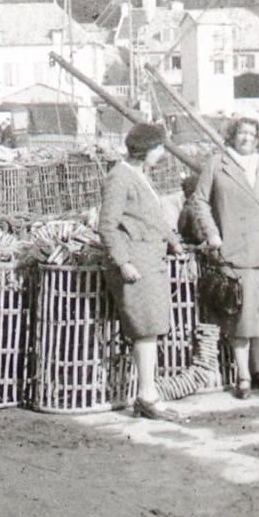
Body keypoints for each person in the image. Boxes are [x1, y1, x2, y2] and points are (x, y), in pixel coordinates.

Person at [189, 114, 259, 399]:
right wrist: (212, 234)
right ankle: (243, 376)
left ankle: (256, 370)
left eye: (251, 133)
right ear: (232, 135)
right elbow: (199, 201)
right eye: (241, 132)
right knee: (242, 318)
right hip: (237, 250)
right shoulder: (217, 164)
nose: (246, 138)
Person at [98, 121, 185, 422]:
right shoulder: (120, 177)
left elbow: (153, 218)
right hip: (136, 263)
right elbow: (107, 225)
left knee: (152, 328)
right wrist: (123, 263)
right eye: (159, 148)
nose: (161, 154)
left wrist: (174, 242)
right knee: (145, 330)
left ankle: (147, 394)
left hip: (151, 260)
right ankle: (147, 396)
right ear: (146, 149)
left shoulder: (140, 175)